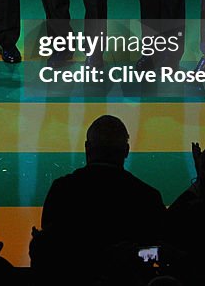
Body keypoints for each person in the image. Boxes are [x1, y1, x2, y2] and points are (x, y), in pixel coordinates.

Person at [32, 115, 165, 279]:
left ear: (87, 148)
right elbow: (159, 253)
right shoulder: (147, 197)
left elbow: (51, 249)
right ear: (126, 150)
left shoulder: (62, 190)